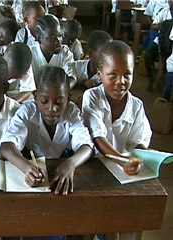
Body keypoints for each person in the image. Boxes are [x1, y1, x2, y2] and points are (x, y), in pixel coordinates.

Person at [82, 40, 153, 240]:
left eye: (126, 75)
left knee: (124, 226)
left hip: (124, 178)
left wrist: (140, 155)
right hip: (92, 171)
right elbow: (97, 137)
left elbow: (137, 142)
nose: (120, 82)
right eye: (112, 75)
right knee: (87, 227)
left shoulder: (137, 106)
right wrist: (122, 160)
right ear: (99, 75)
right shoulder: (92, 97)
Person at [0, 66, 94, 196]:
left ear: (68, 97)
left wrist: (70, 163)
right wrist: (26, 167)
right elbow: (6, 147)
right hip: (34, 171)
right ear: (35, 96)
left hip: (62, 166)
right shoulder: (27, 112)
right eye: (44, 101)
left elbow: (87, 147)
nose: (51, 108)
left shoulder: (71, 112)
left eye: (59, 102)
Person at [30, 14, 76, 88]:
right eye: (53, 38)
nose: (58, 41)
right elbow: (28, 86)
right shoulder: (30, 54)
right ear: (39, 39)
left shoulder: (64, 52)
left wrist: (61, 90)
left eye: (60, 36)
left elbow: (72, 78)